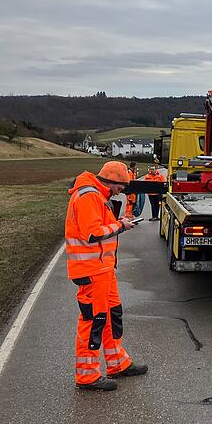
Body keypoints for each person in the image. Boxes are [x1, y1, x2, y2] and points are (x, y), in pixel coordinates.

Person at [65, 161, 147, 391]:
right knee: (94, 321)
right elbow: (92, 233)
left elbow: (102, 225)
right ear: (111, 181)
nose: (120, 192)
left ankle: (117, 363)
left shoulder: (98, 196)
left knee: (112, 315)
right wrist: (120, 227)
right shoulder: (89, 196)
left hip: (103, 269)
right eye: (120, 188)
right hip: (91, 271)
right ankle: (87, 375)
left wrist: (119, 222)